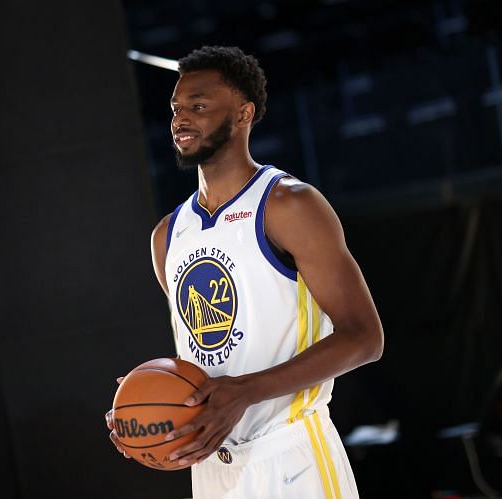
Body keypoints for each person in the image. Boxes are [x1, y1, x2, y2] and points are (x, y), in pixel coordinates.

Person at [107, 45, 384, 498]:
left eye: (198, 106)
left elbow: (365, 337)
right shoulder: (167, 236)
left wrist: (246, 392)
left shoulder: (289, 205)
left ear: (243, 113)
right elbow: (204, 357)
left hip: (292, 455)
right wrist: (144, 401)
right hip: (212, 466)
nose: (180, 119)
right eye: (177, 108)